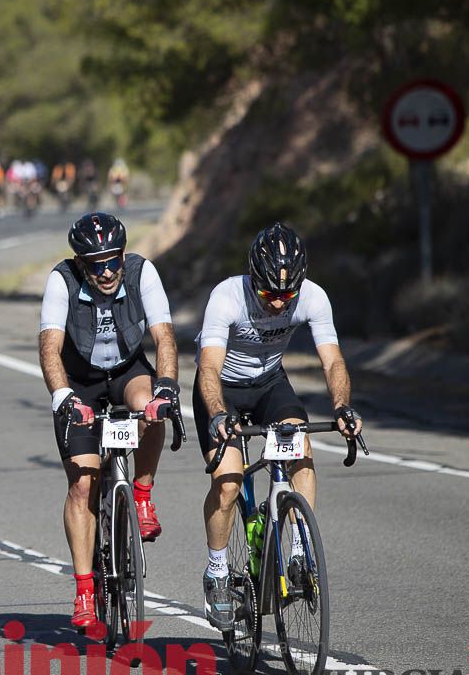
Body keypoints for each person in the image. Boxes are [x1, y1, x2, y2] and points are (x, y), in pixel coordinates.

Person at [194, 222, 362, 631]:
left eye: (287, 295)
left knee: (300, 448)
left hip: (270, 383)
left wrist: (342, 407)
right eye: (269, 294)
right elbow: (209, 367)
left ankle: (302, 551)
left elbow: (333, 361)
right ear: (253, 279)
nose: (278, 303)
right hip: (222, 389)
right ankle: (217, 572)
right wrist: (217, 413)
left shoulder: (313, 297)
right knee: (229, 481)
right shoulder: (226, 296)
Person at [37, 212, 179, 632]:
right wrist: (64, 397)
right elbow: (49, 348)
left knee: (151, 407)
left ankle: (142, 494)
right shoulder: (61, 280)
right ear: (81, 263)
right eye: (96, 264)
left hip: (126, 370)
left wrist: (167, 386)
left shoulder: (141, 271)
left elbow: (165, 336)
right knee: (83, 484)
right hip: (78, 380)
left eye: (113, 259)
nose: (107, 271)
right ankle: (83, 588)